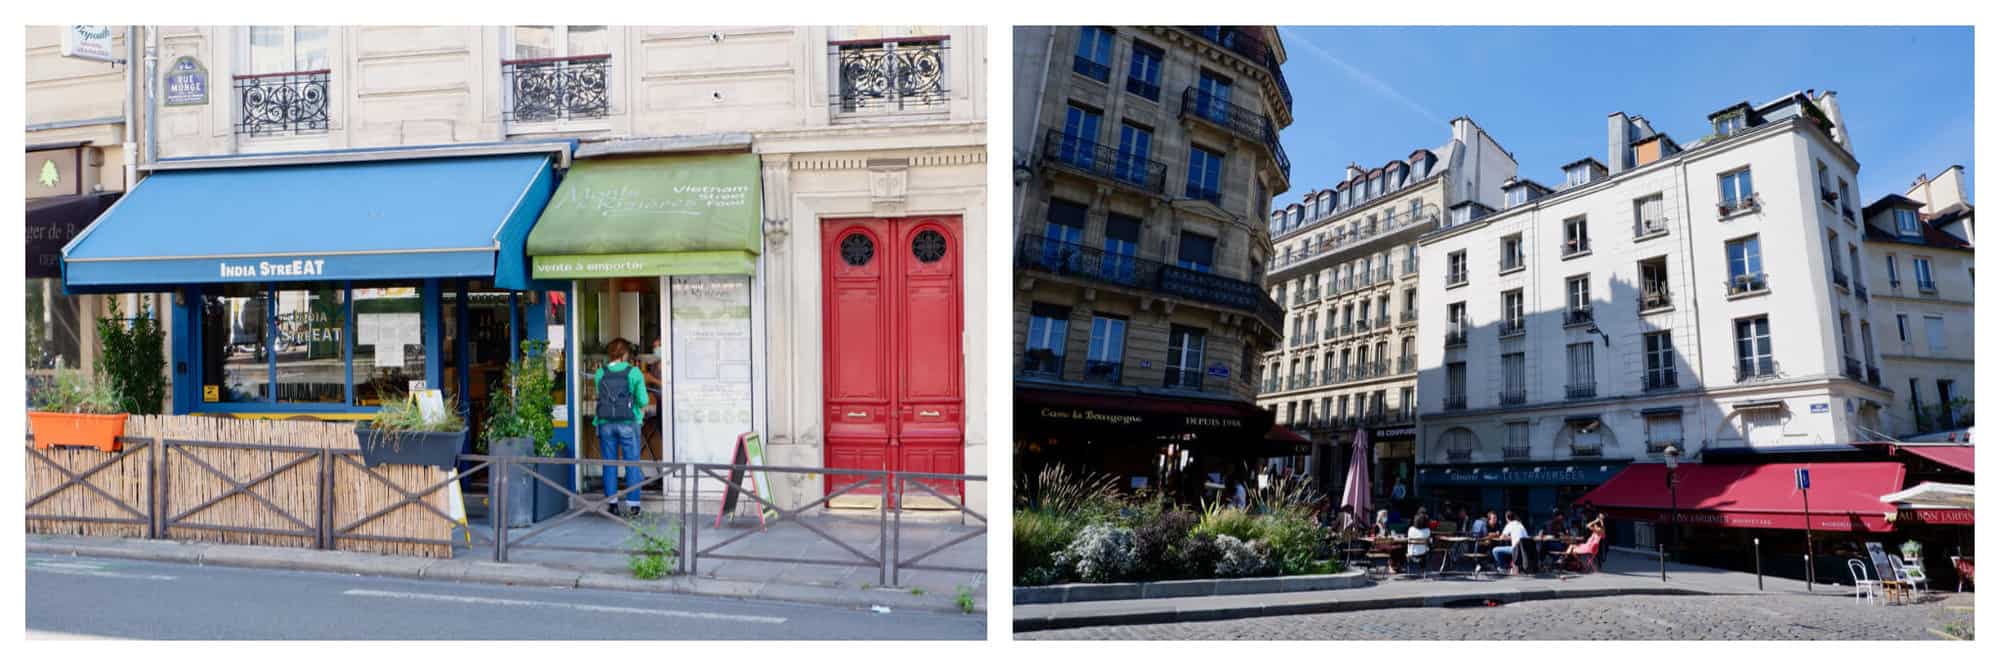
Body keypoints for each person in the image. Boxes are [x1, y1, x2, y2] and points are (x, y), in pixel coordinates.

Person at [593, 338, 649, 518]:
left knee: (609, 464)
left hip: (605, 423)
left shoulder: (600, 373)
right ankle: (633, 506)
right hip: (628, 423)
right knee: (631, 463)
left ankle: (612, 504)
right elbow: (643, 400)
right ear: (625, 354)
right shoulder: (634, 373)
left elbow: (599, 395)